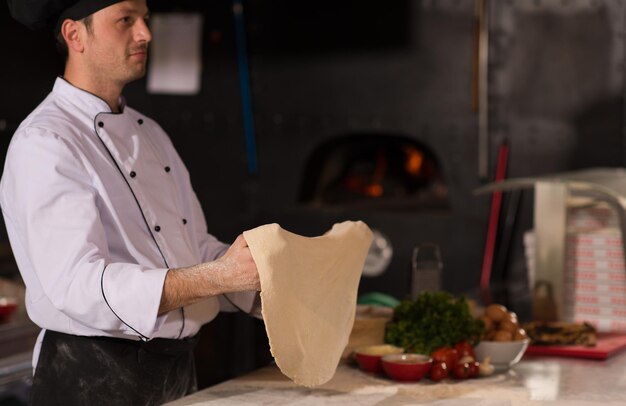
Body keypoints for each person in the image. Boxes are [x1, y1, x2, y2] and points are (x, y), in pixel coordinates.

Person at [1, 0, 261, 404]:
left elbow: (191, 249)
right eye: (125, 20)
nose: (145, 34)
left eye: (144, 19)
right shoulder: (46, 141)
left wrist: (262, 282)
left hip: (176, 374)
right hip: (91, 379)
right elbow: (78, 285)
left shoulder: (151, 133)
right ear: (75, 35)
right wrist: (219, 277)